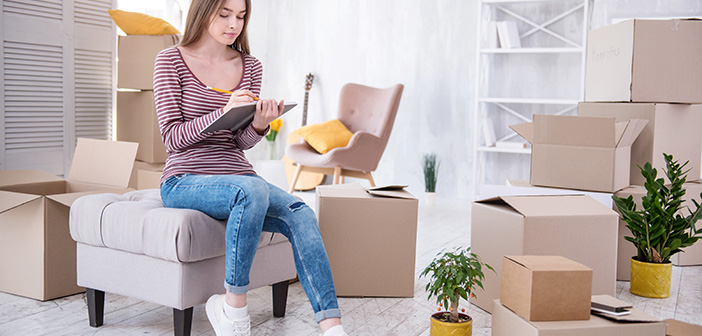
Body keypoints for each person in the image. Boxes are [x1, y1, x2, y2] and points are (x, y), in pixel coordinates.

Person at [152, 1, 348, 335]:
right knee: (252, 188)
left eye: (241, 16)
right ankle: (234, 308)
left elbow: (239, 143)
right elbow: (171, 138)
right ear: (203, 11)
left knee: (300, 211)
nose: (234, 24)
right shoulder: (170, 60)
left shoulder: (250, 66)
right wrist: (221, 111)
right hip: (185, 178)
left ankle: (332, 326)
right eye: (225, 14)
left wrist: (259, 124)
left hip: (237, 179)